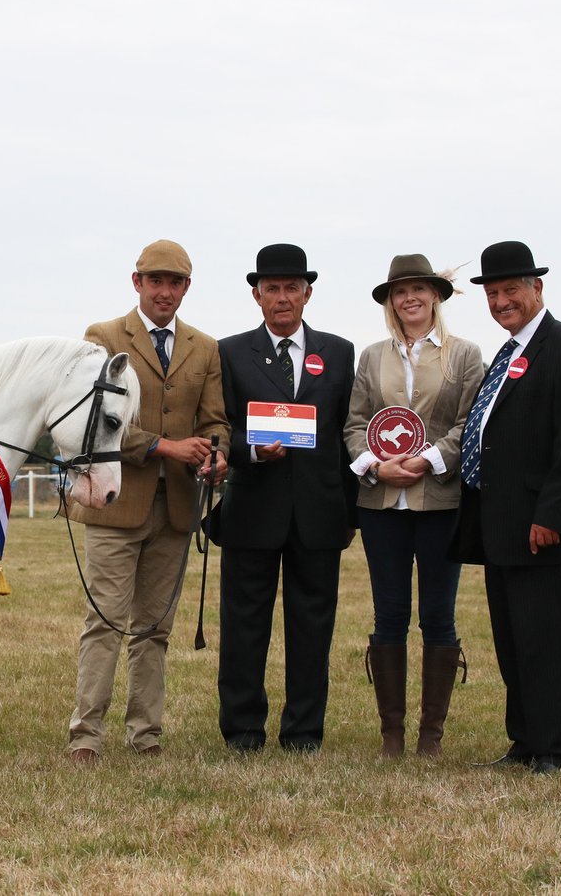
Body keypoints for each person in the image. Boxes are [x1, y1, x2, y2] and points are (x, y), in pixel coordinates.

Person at [450, 241, 561, 775]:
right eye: (493, 293)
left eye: (511, 290)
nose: (501, 301)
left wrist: (552, 516)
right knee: (513, 638)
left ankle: (560, 750)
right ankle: (525, 742)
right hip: (501, 522)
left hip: (539, 523)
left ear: (537, 288)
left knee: (544, 638)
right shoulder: (509, 352)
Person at [66, 239, 229, 764]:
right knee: (106, 623)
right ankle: (86, 736)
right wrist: (164, 446)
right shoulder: (103, 337)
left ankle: (146, 735)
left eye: (174, 282)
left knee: (154, 629)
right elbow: (97, 420)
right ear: (136, 283)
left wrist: (216, 454)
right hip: (114, 502)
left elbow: (214, 422)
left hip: (179, 507)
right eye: (154, 280)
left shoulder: (205, 348)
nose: (164, 291)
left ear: (186, 288)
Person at [207, 243, 357, 753]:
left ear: (308, 293)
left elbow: (344, 430)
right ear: (256, 295)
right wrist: (250, 451)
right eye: (272, 288)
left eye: (292, 288)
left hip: (319, 510)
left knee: (313, 628)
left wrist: (350, 511)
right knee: (244, 627)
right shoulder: (228, 352)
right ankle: (243, 731)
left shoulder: (338, 351)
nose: (282, 298)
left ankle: (304, 733)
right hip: (253, 508)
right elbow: (222, 427)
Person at [343, 254, 484, 758]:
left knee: (438, 617)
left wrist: (426, 460)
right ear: (390, 301)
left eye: (419, 289)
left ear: (435, 296)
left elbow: (469, 423)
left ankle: (431, 737)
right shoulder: (372, 357)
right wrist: (375, 465)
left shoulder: (465, 356)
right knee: (389, 616)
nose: (410, 298)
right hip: (380, 504)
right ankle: (392, 736)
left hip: (440, 501)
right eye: (399, 291)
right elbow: (355, 423)